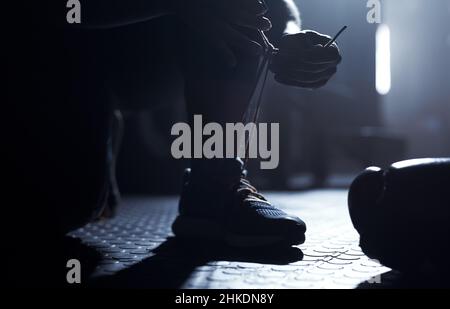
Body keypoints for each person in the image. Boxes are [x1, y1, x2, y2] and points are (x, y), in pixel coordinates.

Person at [7, 0, 341, 285]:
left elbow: (277, 6)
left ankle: (214, 183)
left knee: (237, 8)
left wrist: (289, 38)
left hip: (150, 49)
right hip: (58, 46)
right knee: (59, 207)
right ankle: (99, 112)